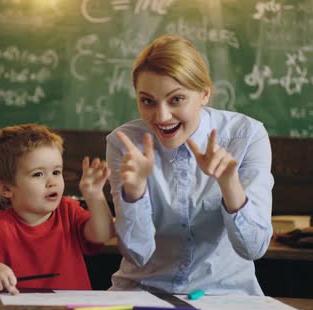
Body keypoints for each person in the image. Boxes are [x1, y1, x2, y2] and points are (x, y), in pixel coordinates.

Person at [106, 35, 274, 295]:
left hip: (225, 295)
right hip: (142, 292)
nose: (161, 116)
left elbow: (254, 248)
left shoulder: (247, 136)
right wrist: (134, 193)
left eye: (176, 99)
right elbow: (137, 255)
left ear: (205, 94)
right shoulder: (125, 143)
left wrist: (229, 185)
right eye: (147, 101)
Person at [0, 124, 114, 295]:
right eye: (38, 174)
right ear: (6, 189)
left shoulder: (68, 211)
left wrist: (95, 195)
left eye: (56, 172)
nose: (52, 182)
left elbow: (103, 234)